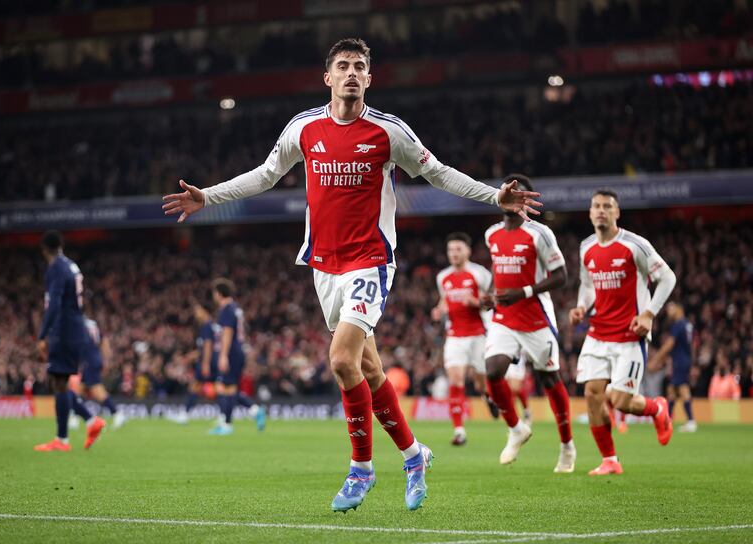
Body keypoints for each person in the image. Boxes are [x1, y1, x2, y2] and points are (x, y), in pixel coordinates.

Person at [162, 38, 541, 512]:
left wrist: (493, 197)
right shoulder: (303, 128)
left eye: (360, 67)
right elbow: (265, 174)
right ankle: (413, 455)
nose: (351, 73)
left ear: (369, 78)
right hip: (324, 266)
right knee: (368, 368)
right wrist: (208, 197)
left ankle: (361, 468)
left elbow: (439, 173)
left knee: (341, 360)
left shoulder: (388, 132)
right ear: (327, 77)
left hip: (370, 261)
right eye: (342, 66)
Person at [569, 189, 677, 476]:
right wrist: (581, 306)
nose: (601, 210)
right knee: (592, 395)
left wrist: (649, 313)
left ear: (617, 212)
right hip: (597, 333)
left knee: (620, 401)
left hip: (629, 335)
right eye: (596, 206)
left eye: (607, 206)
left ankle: (656, 408)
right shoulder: (586, 247)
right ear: (590, 213)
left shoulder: (634, 245)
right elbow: (587, 284)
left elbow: (667, 277)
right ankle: (610, 460)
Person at [483, 174, 575, 473]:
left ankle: (566, 446)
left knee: (549, 379)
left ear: (525, 199)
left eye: (519, 192)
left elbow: (561, 277)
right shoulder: (491, 235)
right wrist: (491, 296)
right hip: (504, 318)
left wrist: (521, 292)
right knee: (493, 370)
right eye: (508, 190)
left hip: (536, 319)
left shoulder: (541, 234)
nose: (512, 195)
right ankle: (516, 429)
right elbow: (501, 273)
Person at [34, 231, 106, 452]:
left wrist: (42, 334)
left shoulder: (56, 268)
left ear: (44, 249)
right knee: (59, 382)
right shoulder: (71, 266)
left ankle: (63, 439)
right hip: (75, 327)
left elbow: (54, 304)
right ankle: (90, 422)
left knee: (58, 380)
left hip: (64, 329)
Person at [431, 232, 494, 446]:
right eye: (451, 250)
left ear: (468, 251)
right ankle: (459, 431)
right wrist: (439, 310)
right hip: (455, 336)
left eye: (458, 249)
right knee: (455, 381)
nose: (454, 253)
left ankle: (489, 398)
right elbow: (444, 300)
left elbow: (492, 302)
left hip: (478, 335)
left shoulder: (480, 274)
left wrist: (475, 302)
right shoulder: (443, 277)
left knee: (480, 383)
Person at [209, 278, 266, 435]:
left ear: (219, 293)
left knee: (226, 388)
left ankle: (227, 424)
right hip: (237, 350)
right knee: (225, 387)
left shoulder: (227, 309)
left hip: (231, 351)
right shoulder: (236, 308)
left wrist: (223, 355)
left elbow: (227, 332)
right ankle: (252, 411)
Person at [649, 302, 697, 432]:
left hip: (680, 361)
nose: (669, 312)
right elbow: (692, 345)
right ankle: (667, 420)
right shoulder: (688, 325)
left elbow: (669, 345)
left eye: (671, 308)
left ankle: (691, 421)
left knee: (682, 388)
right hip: (684, 360)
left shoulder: (678, 325)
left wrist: (656, 360)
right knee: (671, 390)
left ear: (679, 308)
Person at [170, 303, 220, 425]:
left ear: (205, 312)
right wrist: (188, 357)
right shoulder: (209, 326)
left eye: (198, 311)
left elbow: (208, 346)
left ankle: (185, 415)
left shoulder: (207, 326)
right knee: (214, 387)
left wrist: (205, 363)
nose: (196, 314)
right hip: (210, 360)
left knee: (215, 388)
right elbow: (201, 349)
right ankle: (228, 413)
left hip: (209, 361)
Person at [78, 314, 127, 430]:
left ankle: (117, 413)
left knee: (96, 389)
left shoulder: (78, 324)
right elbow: (104, 340)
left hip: (88, 360)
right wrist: (106, 359)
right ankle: (74, 415)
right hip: (94, 358)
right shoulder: (92, 323)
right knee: (79, 388)